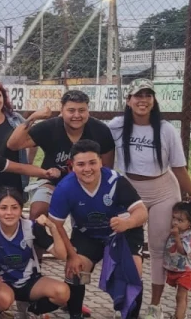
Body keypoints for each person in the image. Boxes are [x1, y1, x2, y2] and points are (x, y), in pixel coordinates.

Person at [107, 79, 191, 319]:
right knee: (126, 247)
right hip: (130, 191)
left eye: (148, 95)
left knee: (159, 249)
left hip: (162, 190)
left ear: (154, 100)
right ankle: (127, 301)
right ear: (128, 100)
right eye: (138, 95)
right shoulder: (117, 126)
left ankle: (155, 307)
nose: (143, 100)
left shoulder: (166, 129)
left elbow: (179, 167)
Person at [48, 140, 149, 319]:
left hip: (122, 232)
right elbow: (56, 225)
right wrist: (72, 255)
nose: (87, 169)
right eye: (81, 164)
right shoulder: (65, 188)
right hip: (88, 234)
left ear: (101, 162)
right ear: (72, 165)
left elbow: (142, 212)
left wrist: (126, 223)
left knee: (134, 268)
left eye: (92, 163)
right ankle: (76, 317)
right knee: (77, 268)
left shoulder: (115, 181)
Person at [6, 89, 115, 221]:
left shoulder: (100, 130)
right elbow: (13, 144)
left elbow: (107, 167)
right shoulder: (50, 127)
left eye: (82, 110)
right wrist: (33, 117)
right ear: (62, 110)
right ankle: (41, 240)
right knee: (37, 212)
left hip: (87, 183)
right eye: (71, 110)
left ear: (88, 111)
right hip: (52, 181)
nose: (76, 115)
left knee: (92, 218)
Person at [0, 188, 70, 319]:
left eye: (14, 208)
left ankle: (33, 312)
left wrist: (53, 227)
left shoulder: (31, 228)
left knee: (62, 293)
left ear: (20, 209)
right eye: (3, 208)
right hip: (2, 283)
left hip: (28, 281)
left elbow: (62, 255)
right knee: (3, 299)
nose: (9, 213)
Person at [159, 198, 191, 319]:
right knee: (182, 296)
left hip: (185, 271)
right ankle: (182, 316)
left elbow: (183, 251)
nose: (175, 222)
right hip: (176, 269)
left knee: (180, 297)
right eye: (174, 218)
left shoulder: (188, 235)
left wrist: (176, 237)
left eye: (180, 220)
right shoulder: (177, 231)